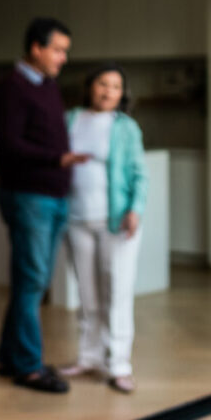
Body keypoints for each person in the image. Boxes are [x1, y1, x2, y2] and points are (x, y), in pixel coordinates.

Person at [0, 17, 88, 393]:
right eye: (58, 49)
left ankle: (10, 357)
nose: (63, 58)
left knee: (30, 282)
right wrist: (57, 159)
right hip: (30, 196)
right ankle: (29, 368)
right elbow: (11, 146)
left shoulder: (47, 86)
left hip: (52, 196)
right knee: (32, 282)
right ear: (36, 47)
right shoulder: (12, 89)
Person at [57, 65, 148, 393]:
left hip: (115, 221)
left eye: (116, 86)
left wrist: (135, 210)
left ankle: (119, 364)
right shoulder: (70, 120)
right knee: (87, 293)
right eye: (103, 84)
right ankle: (88, 356)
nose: (109, 91)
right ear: (90, 87)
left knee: (117, 292)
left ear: (122, 94)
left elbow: (140, 173)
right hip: (76, 219)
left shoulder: (126, 127)